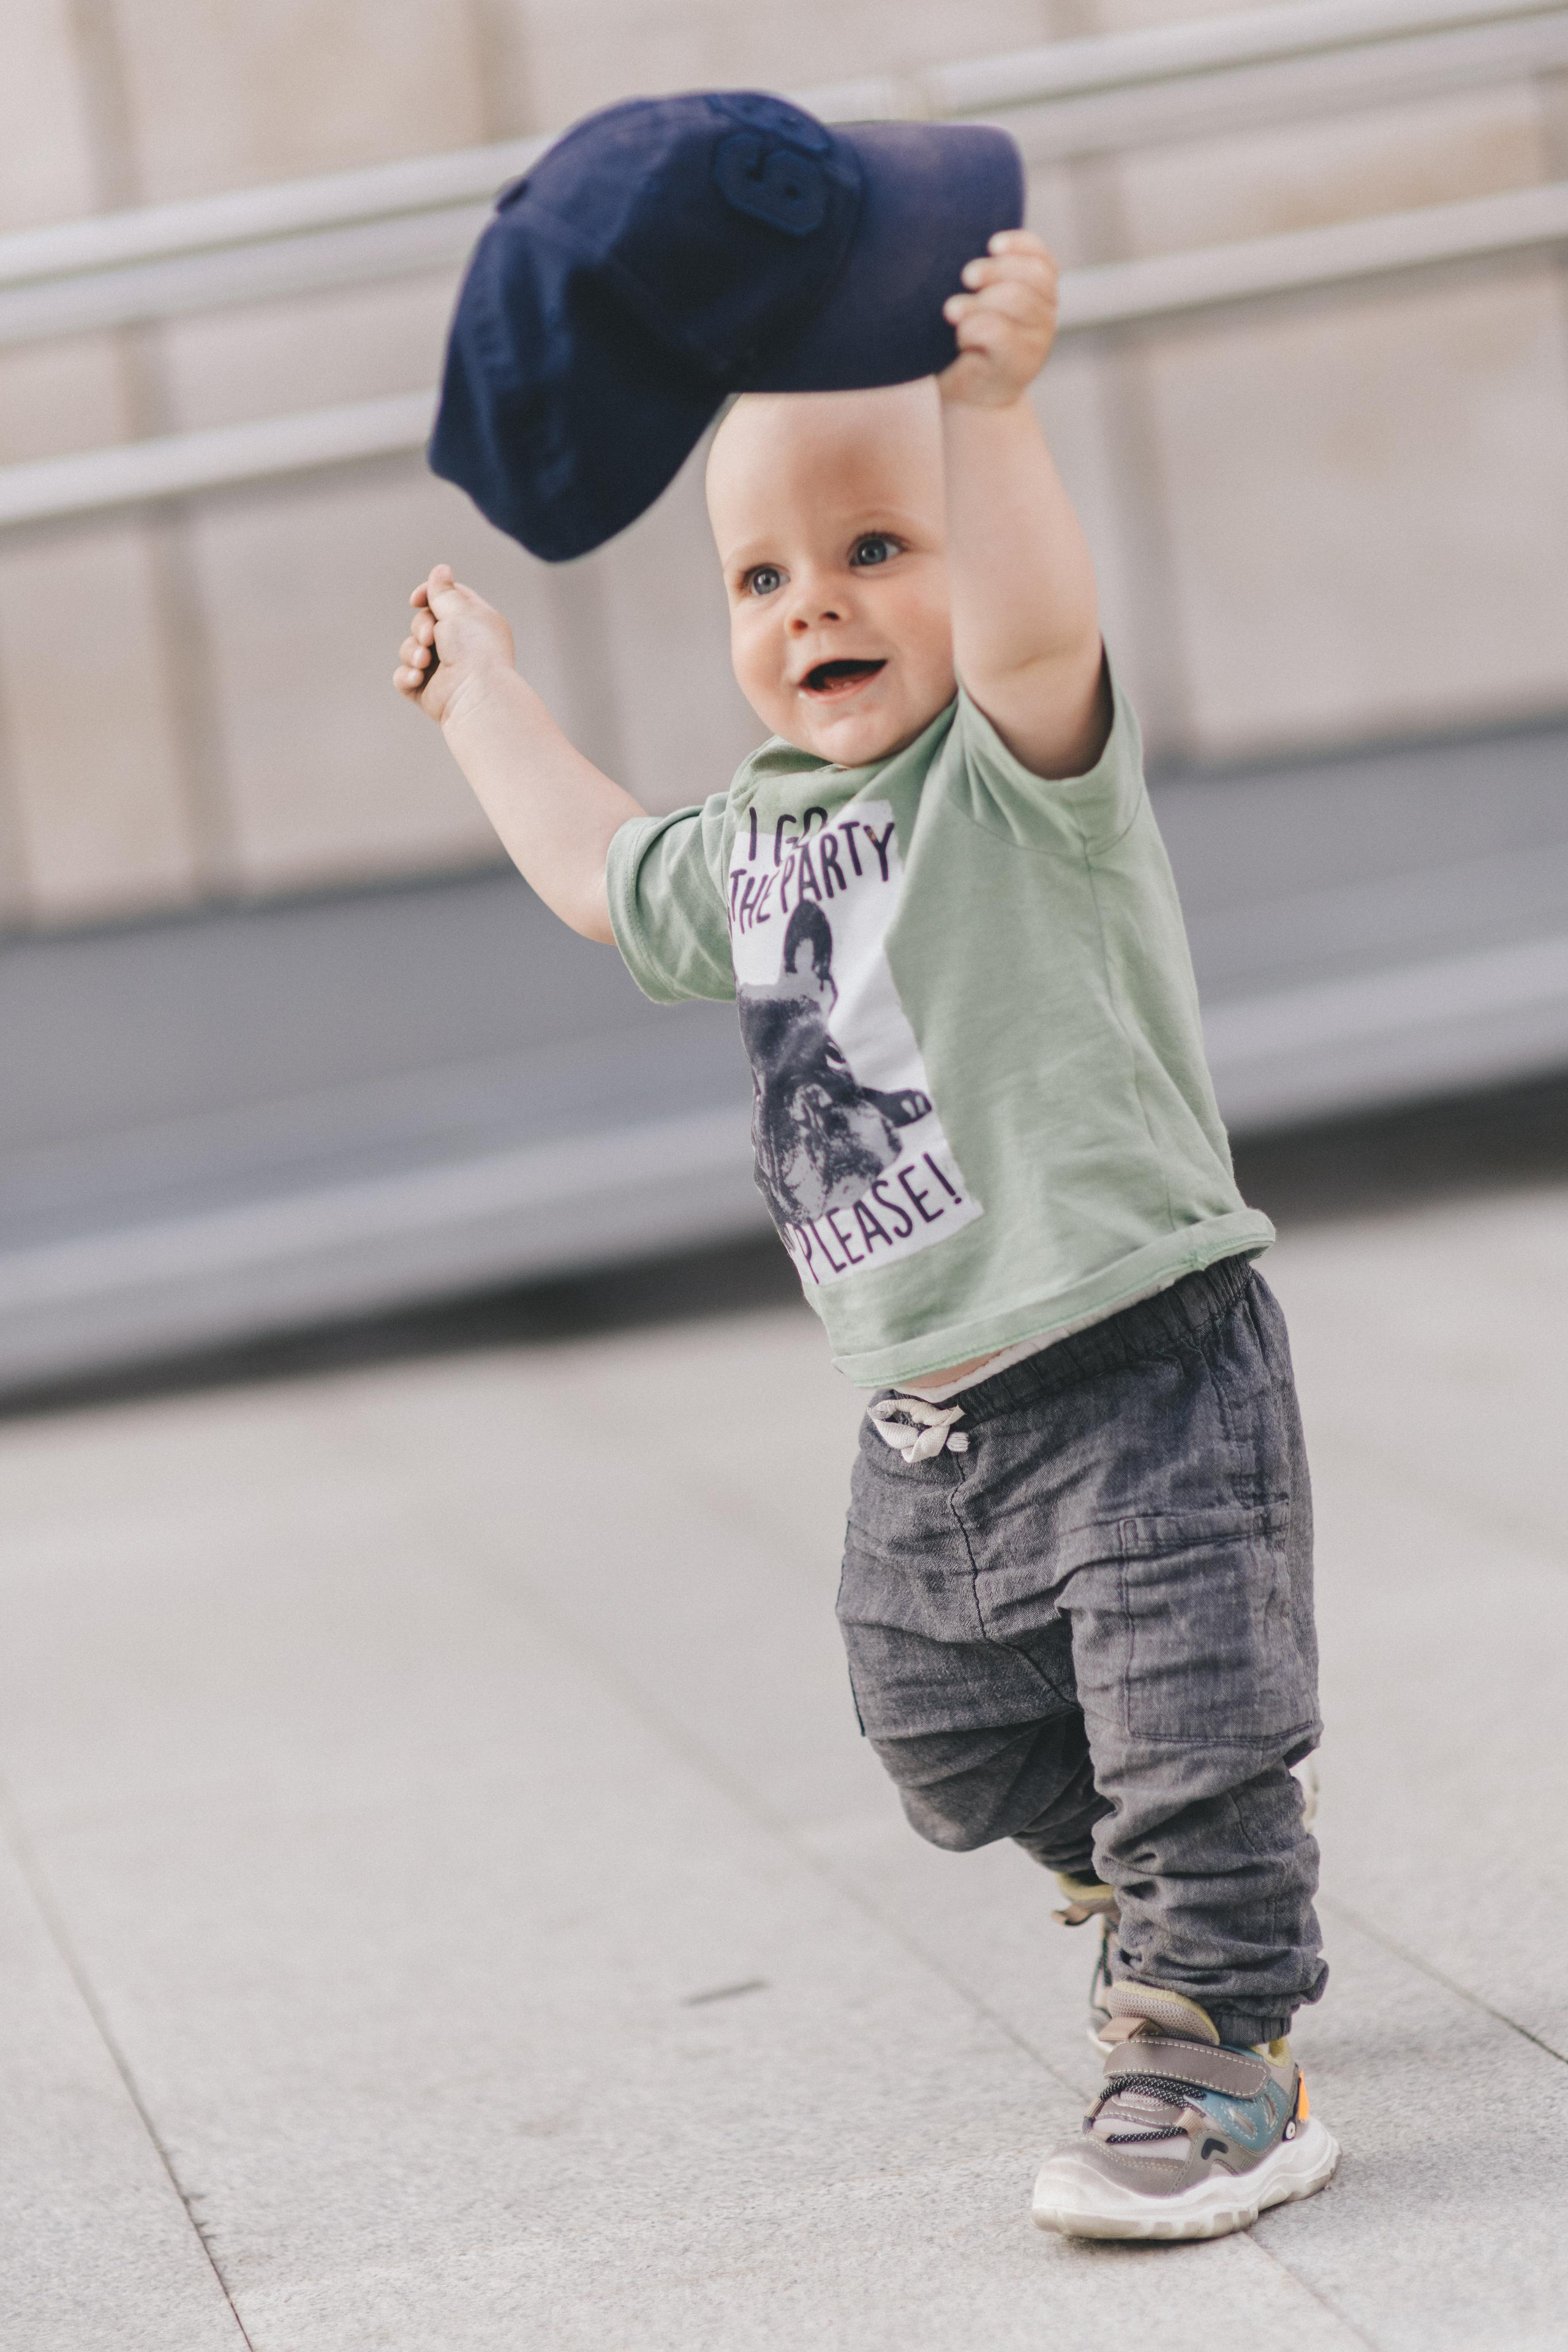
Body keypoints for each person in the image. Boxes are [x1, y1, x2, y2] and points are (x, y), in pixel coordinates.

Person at [393, 223, 1338, 2244]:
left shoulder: (1020, 776)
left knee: (1190, 1738)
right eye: (761, 577)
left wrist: (986, 422)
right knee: (937, 1735)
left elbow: (1033, 622)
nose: (815, 602)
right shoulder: (750, 846)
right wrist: (482, 696)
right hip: (927, 1427)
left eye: (875, 551)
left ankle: (1215, 2044)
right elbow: (591, 873)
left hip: (1145, 1364)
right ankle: (1177, 1856)